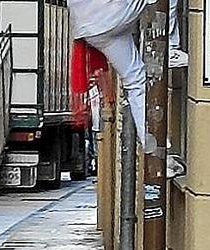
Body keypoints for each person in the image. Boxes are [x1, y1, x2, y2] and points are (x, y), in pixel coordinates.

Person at [69, 0, 187, 148]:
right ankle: (170, 47)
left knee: (135, 80)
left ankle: (151, 145)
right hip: (112, 13)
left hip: (89, 27)